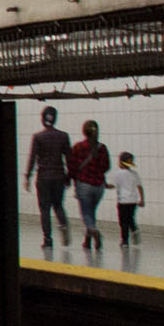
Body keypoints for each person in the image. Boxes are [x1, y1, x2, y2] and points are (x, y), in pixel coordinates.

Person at [23, 105, 71, 249]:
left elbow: (32, 158)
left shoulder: (38, 137)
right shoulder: (63, 136)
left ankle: (48, 240)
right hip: (59, 176)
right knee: (58, 205)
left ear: (43, 119)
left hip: (43, 177)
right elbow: (69, 158)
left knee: (44, 209)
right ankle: (63, 225)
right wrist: (69, 177)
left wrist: (27, 177)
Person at [68, 118, 111, 249]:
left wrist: (70, 179)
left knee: (86, 214)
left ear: (84, 132)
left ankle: (93, 231)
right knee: (91, 212)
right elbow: (106, 166)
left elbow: (72, 166)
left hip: (84, 184)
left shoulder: (77, 147)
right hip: (99, 186)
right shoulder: (102, 148)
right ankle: (87, 241)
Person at [109, 150, 146, 248]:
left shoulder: (118, 174)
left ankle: (125, 241)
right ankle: (134, 230)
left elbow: (112, 185)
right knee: (130, 218)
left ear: (120, 162)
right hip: (133, 200)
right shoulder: (135, 174)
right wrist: (142, 199)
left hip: (123, 201)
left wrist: (104, 185)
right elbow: (140, 187)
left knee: (123, 222)